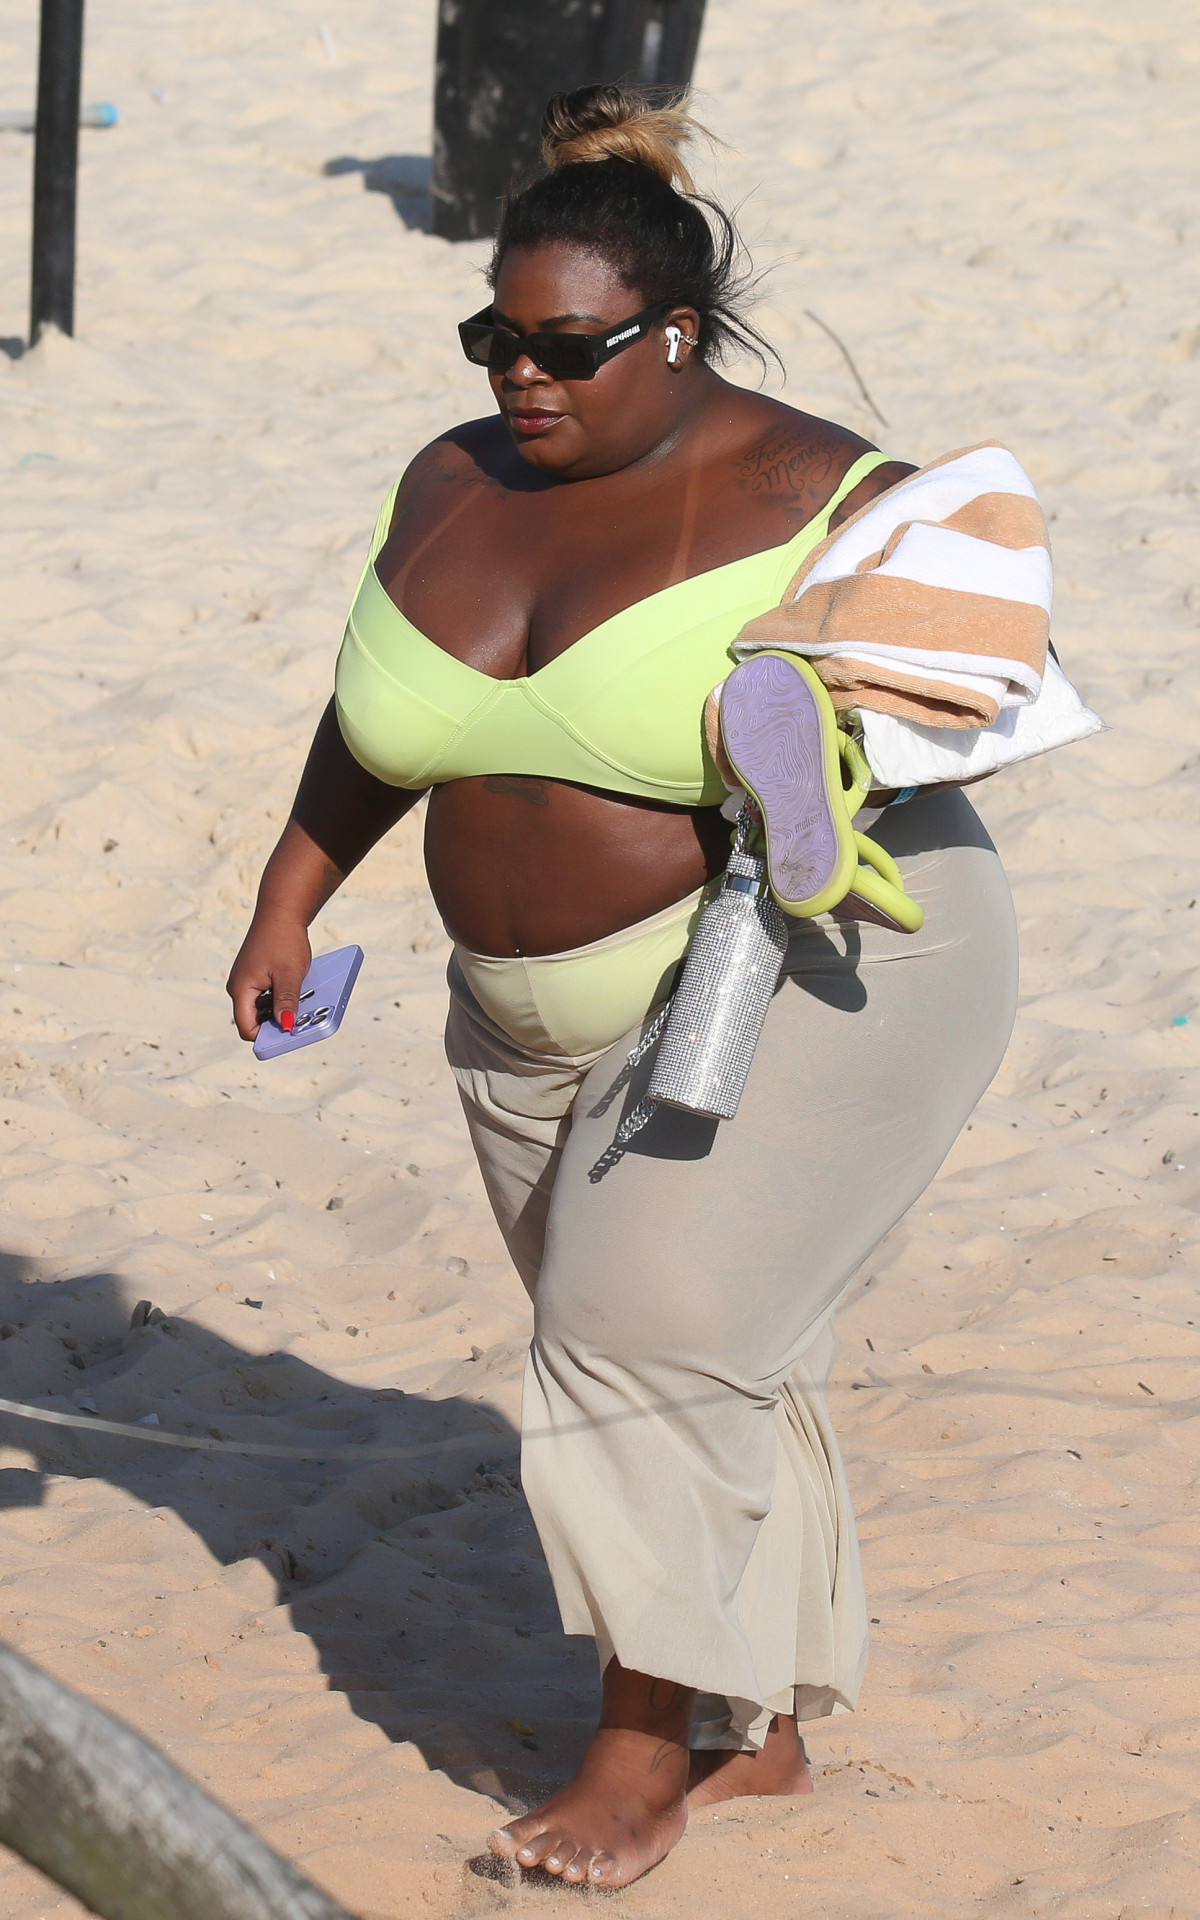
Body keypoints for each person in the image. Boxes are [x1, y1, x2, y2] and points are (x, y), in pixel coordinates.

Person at [227, 85, 1018, 1890]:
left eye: (569, 348)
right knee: (699, 1343)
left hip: (817, 964)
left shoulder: (821, 495)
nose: (526, 376)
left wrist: (832, 729)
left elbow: (999, 667)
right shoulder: (448, 482)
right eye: (497, 337)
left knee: (635, 1324)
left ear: (673, 336)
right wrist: (291, 890)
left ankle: (638, 1759)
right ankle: (765, 1731)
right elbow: (377, 726)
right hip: (518, 1011)